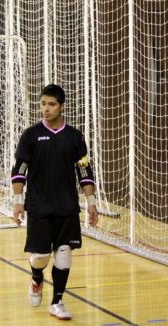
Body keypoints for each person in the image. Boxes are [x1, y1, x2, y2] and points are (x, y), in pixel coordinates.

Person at [11, 84, 99, 320]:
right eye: (43, 104)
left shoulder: (74, 137)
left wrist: (90, 202)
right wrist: (17, 201)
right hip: (39, 206)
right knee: (40, 257)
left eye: (51, 104)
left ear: (62, 106)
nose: (46, 109)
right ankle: (37, 278)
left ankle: (57, 301)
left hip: (67, 207)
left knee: (64, 253)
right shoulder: (30, 135)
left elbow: (84, 170)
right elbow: (20, 170)